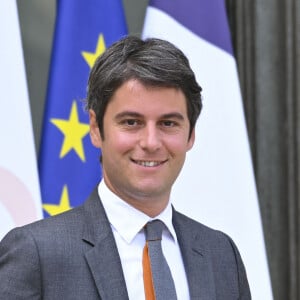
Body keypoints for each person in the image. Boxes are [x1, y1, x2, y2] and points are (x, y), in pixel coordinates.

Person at [0, 36, 251, 299]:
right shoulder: (36, 254)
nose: (151, 142)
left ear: (190, 135)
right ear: (96, 129)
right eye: (132, 122)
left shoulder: (222, 256)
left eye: (168, 123)